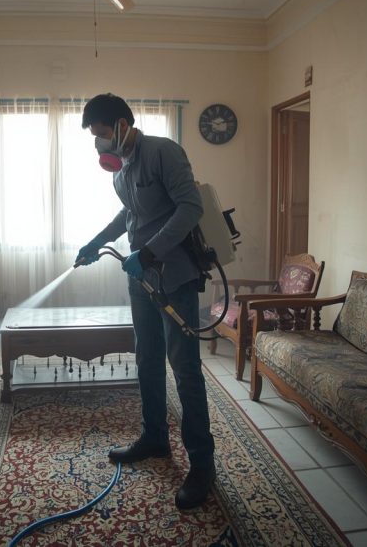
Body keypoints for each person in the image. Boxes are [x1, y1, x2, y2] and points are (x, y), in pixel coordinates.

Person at [74, 93, 216, 509]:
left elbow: (190, 207)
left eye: (100, 134)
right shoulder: (120, 172)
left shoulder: (163, 153)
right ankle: (155, 437)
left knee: (185, 369)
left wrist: (150, 253)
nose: (98, 144)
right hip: (141, 279)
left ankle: (202, 464)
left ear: (121, 125)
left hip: (175, 277)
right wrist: (97, 242)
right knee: (146, 359)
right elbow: (128, 216)